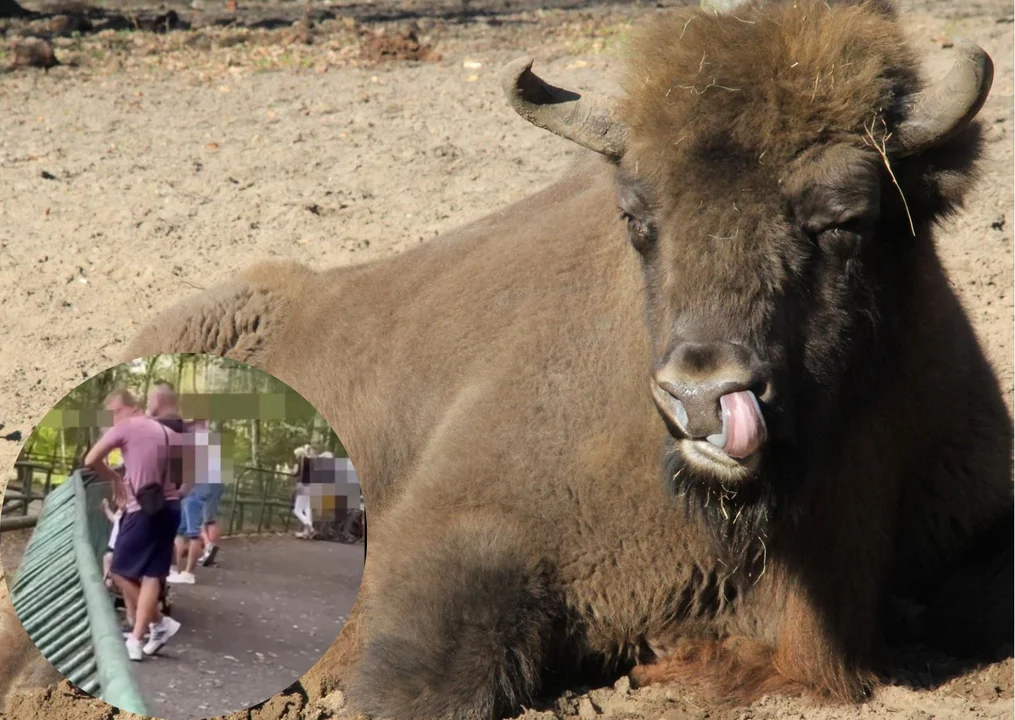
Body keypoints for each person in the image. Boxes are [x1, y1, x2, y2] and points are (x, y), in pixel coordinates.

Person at [84, 388, 184, 661]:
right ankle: (139, 639)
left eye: (115, 412)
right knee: (153, 573)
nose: (114, 419)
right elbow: (181, 479)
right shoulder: (172, 435)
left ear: (131, 407)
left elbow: (91, 460)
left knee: (118, 569)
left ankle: (160, 622)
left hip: (142, 510)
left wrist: (116, 478)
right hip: (171, 508)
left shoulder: (126, 427)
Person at [291, 445, 316, 539]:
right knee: (307, 508)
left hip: (303, 485)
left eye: (296, 454)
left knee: (297, 510)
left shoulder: (301, 461)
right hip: (312, 486)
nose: (296, 456)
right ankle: (307, 532)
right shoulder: (312, 461)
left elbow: (296, 473)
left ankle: (309, 526)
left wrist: (292, 472)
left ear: (299, 454)